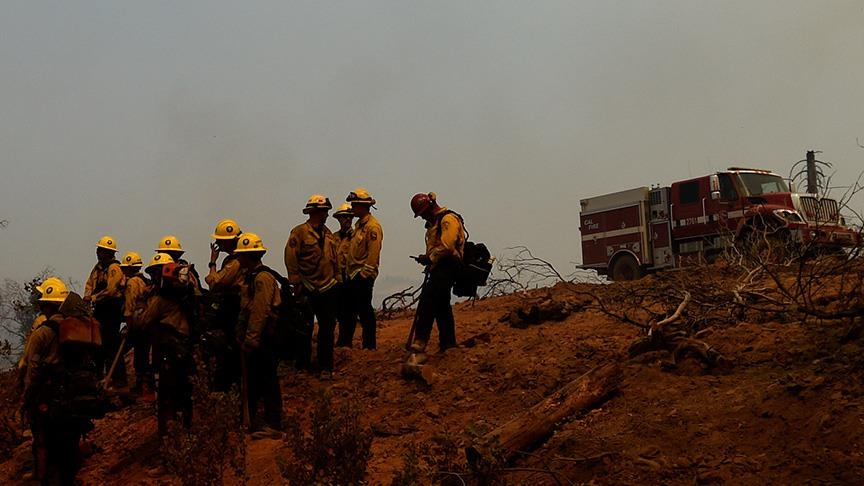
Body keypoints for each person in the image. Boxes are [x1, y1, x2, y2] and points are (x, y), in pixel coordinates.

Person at [19, 279, 90, 486]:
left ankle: (42, 479)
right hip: (75, 395)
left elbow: (32, 369)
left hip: (48, 395)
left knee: (43, 442)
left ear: (47, 306)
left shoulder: (42, 332)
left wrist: (27, 397)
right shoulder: (79, 330)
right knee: (69, 443)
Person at [137, 253, 195, 439]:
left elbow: (142, 321)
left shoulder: (161, 300)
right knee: (185, 394)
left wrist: (140, 301)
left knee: (166, 397)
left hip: (168, 352)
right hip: (186, 349)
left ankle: (170, 443)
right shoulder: (188, 296)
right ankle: (187, 433)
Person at [284, 194, 340, 379]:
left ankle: (326, 367)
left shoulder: (329, 234)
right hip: (306, 286)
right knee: (304, 329)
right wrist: (296, 281)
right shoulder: (299, 233)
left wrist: (337, 278)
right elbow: (291, 257)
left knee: (327, 328)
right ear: (315, 212)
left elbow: (335, 258)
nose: (326, 214)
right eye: (324, 211)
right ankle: (302, 366)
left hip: (328, 287)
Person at [234, 232, 283, 438]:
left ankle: (274, 423)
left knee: (267, 378)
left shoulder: (263, 278)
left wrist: (251, 339)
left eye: (241, 255)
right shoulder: (251, 277)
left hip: (264, 337)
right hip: (256, 336)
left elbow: (259, 311)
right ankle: (253, 421)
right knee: (254, 379)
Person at [409, 192, 466, 353]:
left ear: (431, 207)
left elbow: (447, 247)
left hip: (449, 265)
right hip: (439, 266)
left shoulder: (448, 219)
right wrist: (428, 258)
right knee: (442, 305)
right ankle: (448, 343)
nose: (422, 218)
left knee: (428, 299)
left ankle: (420, 340)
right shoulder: (434, 223)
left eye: (423, 214)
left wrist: (430, 257)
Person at [204, 218, 245, 391]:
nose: (218, 244)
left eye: (220, 241)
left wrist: (212, 263)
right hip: (235, 307)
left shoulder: (234, 262)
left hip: (234, 309)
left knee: (229, 348)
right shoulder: (235, 260)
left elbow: (215, 284)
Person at [343, 188, 383, 349]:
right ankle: (346, 343)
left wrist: (365, 274)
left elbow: (373, 253)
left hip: (362, 274)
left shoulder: (373, 227)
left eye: (355, 205)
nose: (352, 208)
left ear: (362, 206)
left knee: (364, 310)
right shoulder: (359, 226)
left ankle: (369, 345)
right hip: (353, 274)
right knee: (349, 310)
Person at [84, 235, 127, 386]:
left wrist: (93, 298)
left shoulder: (114, 268)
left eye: (101, 250)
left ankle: (119, 381)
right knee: (97, 345)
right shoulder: (97, 269)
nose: (98, 253)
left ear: (109, 253)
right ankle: (98, 377)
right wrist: (87, 298)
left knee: (111, 345)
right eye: (98, 250)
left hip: (112, 309)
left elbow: (111, 290)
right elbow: (89, 285)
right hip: (100, 310)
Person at [120, 251, 153, 397]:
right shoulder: (145, 281)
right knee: (143, 352)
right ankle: (145, 384)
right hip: (147, 320)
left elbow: (129, 306)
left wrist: (128, 326)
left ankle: (139, 386)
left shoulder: (132, 283)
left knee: (137, 354)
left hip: (137, 322)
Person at [331, 203, 355, 347]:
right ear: (338, 219)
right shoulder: (332, 238)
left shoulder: (356, 236)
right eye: (343, 217)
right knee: (338, 311)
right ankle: (341, 340)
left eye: (349, 217)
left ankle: (347, 341)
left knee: (350, 312)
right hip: (335, 279)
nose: (346, 219)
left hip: (350, 278)